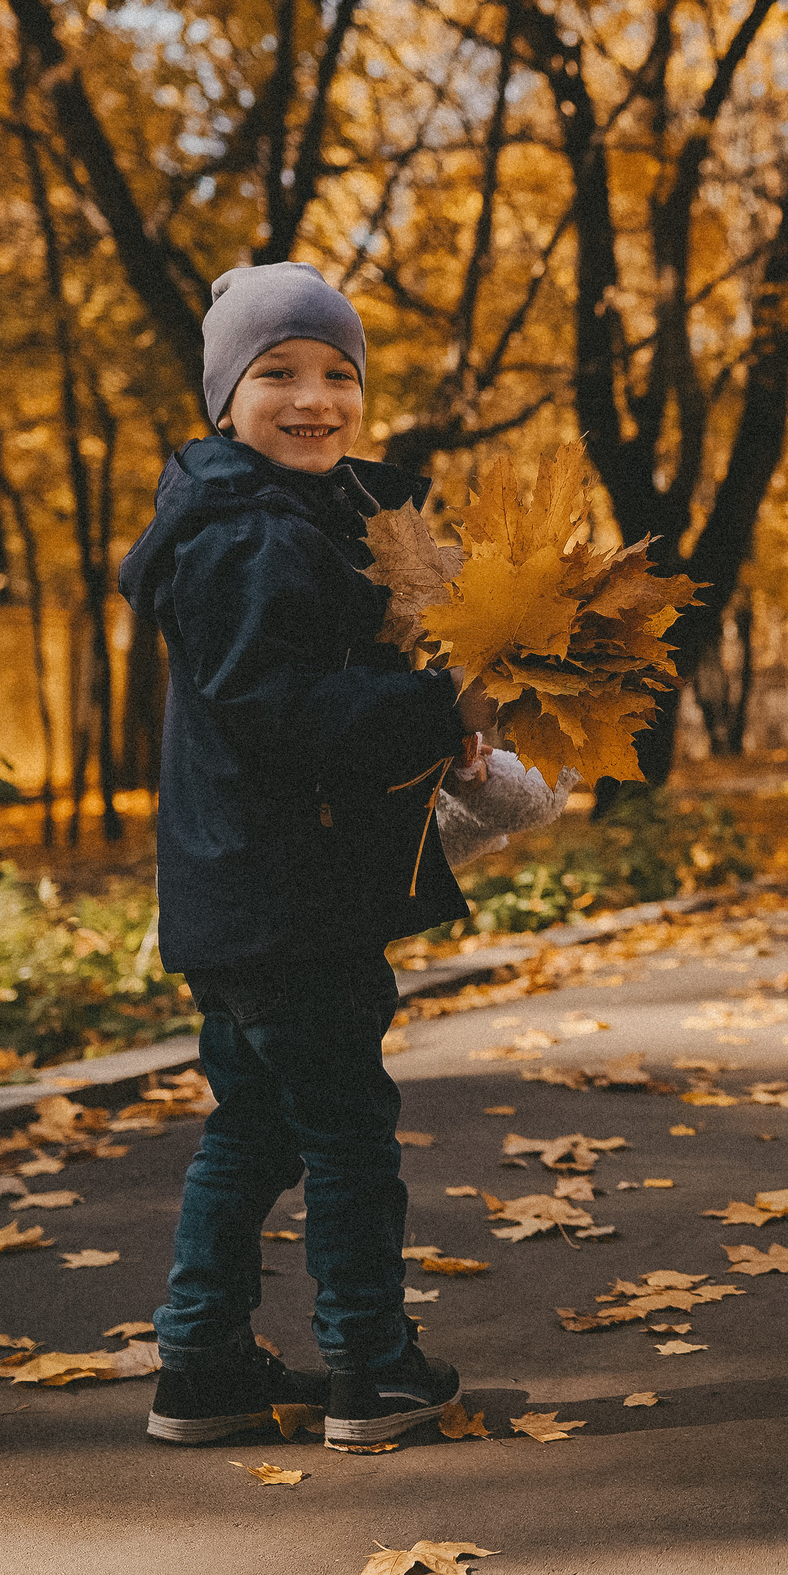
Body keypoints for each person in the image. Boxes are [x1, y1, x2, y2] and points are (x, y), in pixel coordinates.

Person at [117, 261, 494, 1448]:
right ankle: (372, 1366)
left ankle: (203, 1361)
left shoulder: (295, 519)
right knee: (343, 1132)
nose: (313, 397)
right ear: (225, 395)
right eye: (276, 373)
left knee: (256, 1123)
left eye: (338, 374)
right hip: (289, 890)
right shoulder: (249, 537)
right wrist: (440, 711)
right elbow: (277, 705)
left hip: (243, 886)